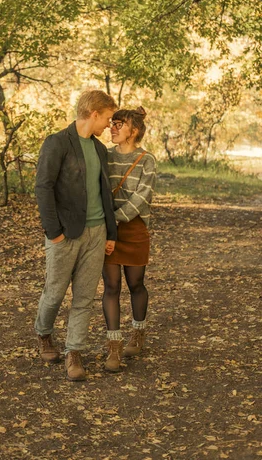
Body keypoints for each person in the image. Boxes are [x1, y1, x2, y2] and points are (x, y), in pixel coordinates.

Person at [34, 90, 118, 381]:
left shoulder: (99, 150)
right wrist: (53, 232)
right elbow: (43, 188)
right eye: (107, 118)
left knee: (84, 298)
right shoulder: (57, 143)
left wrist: (111, 232)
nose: (109, 125)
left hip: (97, 234)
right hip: (65, 234)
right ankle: (44, 334)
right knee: (55, 293)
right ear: (94, 114)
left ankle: (74, 353)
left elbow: (104, 192)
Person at [102, 107, 157, 372]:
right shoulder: (105, 156)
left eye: (118, 124)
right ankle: (114, 347)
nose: (112, 127)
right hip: (108, 230)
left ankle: (138, 332)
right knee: (111, 287)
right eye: (111, 123)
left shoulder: (147, 159)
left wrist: (115, 220)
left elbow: (141, 197)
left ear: (133, 130)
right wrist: (106, 225)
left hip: (133, 230)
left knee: (136, 284)